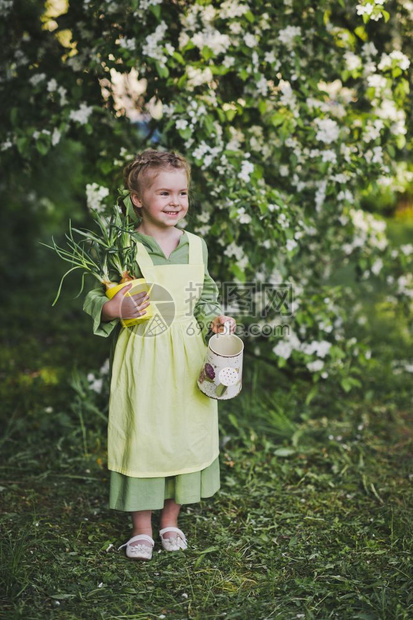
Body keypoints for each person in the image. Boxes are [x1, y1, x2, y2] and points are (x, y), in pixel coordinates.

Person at [83, 149, 236, 561]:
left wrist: (215, 320)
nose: (175, 202)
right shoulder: (124, 247)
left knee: (184, 432)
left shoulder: (197, 245)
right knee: (144, 432)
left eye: (182, 193)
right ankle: (141, 528)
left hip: (187, 354)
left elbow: (203, 296)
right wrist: (115, 308)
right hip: (145, 355)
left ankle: (171, 520)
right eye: (164, 192)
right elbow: (96, 296)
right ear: (137, 198)